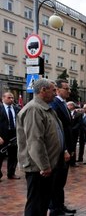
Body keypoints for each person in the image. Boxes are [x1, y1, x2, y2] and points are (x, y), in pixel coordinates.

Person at [16, 79, 63, 216]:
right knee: (36, 204)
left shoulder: (46, 108)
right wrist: (44, 166)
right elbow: (35, 141)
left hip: (46, 166)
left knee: (42, 203)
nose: (55, 93)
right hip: (38, 168)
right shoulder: (34, 109)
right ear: (43, 90)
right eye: (53, 90)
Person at [49, 79, 76, 215]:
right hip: (60, 147)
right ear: (58, 90)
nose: (69, 91)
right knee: (57, 180)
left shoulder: (63, 103)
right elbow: (56, 128)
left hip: (67, 145)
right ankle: (55, 208)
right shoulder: (54, 103)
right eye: (66, 88)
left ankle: (60, 205)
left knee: (61, 180)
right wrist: (64, 148)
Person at [0, 92, 20, 180]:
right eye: (9, 98)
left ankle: (11, 173)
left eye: (12, 98)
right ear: (3, 98)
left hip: (14, 135)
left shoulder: (17, 109)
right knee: (0, 155)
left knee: (13, 155)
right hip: (2, 135)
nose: (11, 99)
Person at [67, 101, 81, 167]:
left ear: (72, 106)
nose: (68, 107)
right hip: (67, 133)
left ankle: (73, 161)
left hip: (74, 133)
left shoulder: (78, 114)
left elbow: (79, 123)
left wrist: (73, 129)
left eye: (69, 105)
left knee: (73, 148)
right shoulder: (66, 113)